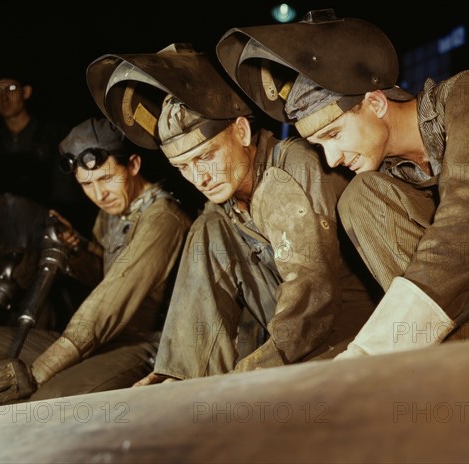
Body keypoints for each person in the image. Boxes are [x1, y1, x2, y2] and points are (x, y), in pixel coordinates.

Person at [215, 9, 469, 357]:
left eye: (335, 134)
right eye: (319, 145)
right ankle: (457, 359)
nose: (332, 158)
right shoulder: (383, 181)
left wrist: (372, 349)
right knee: (359, 199)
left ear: (375, 103)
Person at [85, 43, 379, 383]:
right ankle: (182, 375)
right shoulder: (222, 207)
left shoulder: (291, 166)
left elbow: (312, 295)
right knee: (208, 225)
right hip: (289, 340)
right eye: (183, 167)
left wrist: (247, 373)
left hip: (348, 332)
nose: (200, 178)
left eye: (206, 156)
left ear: (241, 131)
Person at [0, 117, 192, 404]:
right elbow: (103, 274)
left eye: (107, 179)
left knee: (52, 398)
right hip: (103, 336)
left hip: (147, 343)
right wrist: (76, 248)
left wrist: (36, 374)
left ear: (133, 165)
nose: (99, 194)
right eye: (87, 184)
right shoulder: (114, 211)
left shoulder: (162, 218)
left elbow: (109, 302)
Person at [0, 74, 93, 233]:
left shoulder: (54, 134)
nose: (3, 97)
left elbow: (66, 194)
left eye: (11, 88)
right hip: (4, 230)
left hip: (49, 227)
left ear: (26, 92)